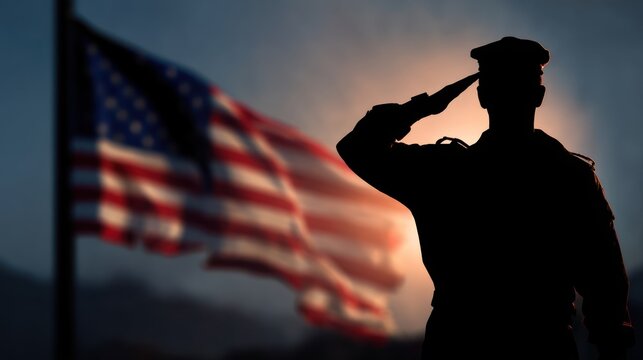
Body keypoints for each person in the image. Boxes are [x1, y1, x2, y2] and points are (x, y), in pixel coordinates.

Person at [336, 37, 634, 359]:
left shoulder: (444, 172)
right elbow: (606, 291)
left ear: (481, 96)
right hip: (538, 344)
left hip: (462, 342)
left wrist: (420, 107)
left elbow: (358, 147)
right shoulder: (569, 177)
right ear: (539, 95)